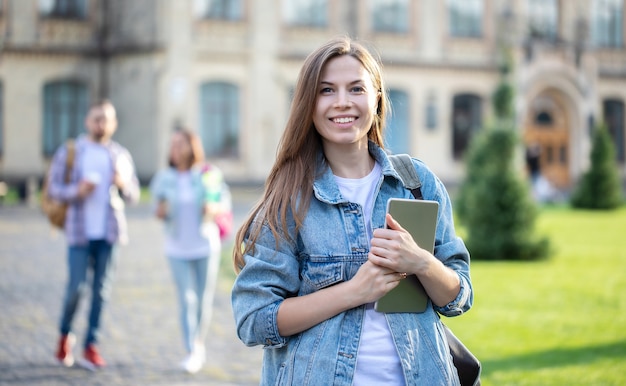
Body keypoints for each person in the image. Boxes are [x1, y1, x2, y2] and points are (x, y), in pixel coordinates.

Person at [231, 36, 474, 385]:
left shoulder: (417, 182)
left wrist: (421, 262)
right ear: (309, 104)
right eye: (326, 90)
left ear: (376, 98)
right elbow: (254, 319)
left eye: (356, 89)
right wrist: (354, 292)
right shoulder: (291, 198)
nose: (342, 103)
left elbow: (459, 296)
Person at [48, 99, 140, 370]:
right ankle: (65, 335)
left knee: (102, 291)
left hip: (109, 235)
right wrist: (78, 191)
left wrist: (123, 185)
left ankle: (91, 345)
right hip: (79, 233)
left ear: (113, 124)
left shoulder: (120, 154)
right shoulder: (72, 152)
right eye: (96, 118)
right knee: (76, 288)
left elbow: (133, 195)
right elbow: (53, 189)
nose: (100, 123)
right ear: (88, 121)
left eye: (106, 119)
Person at [149, 129, 229, 373]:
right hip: (176, 247)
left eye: (181, 144)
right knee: (186, 298)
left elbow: (222, 203)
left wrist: (213, 208)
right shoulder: (163, 178)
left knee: (204, 299)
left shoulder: (208, 174)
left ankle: (199, 342)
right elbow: (157, 208)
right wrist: (160, 211)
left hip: (205, 244)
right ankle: (191, 349)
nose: (176, 148)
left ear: (192, 147)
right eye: (172, 144)